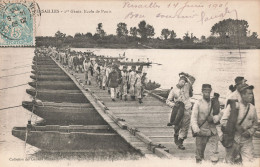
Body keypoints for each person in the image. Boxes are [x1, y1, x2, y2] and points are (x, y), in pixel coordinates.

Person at [220, 84, 258, 164]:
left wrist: (250, 132)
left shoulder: (253, 108)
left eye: (252, 93)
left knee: (249, 162)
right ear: (242, 95)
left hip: (247, 140)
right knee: (230, 162)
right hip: (233, 139)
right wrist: (236, 126)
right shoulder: (233, 106)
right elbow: (223, 121)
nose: (251, 96)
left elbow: (255, 124)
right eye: (249, 94)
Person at [191, 84, 220, 163]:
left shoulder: (214, 103)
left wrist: (213, 119)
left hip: (212, 131)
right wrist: (196, 129)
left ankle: (214, 163)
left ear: (210, 91)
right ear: (202, 92)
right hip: (201, 131)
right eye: (205, 91)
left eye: (208, 91)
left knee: (214, 153)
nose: (207, 93)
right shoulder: (198, 103)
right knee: (199, 154)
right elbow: (193, 118)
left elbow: (218, 115)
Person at [166, 72, 195, 150]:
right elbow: (168, 101)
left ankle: (180, 141)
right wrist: (173, 105)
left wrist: (186, 74)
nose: (183, 83)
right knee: (177, 126)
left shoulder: (187, 86)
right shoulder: (173, 90)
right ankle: (176, 134)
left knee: (185, 126)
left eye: (184, 81)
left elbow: (193, 79)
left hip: (187, 109)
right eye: (182, 81)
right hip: (178, 110)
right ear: (178, 81)